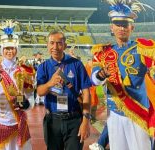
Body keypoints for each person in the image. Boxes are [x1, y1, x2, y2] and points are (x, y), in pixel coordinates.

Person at [91, 1, 155, 150]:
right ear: (111, 27)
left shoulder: (143, 48)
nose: (121, 28)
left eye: (125, 24)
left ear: (132, 27)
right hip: (114, 114)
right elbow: (94, 80)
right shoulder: (102, 52)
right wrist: (101, 74)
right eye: (117, 24)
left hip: (138, 112)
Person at [0, 20, 35, 150]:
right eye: (7, 48)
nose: (9, 51)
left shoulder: (26, 71)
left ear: (17, 49)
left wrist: (27, 104)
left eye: (12, 48)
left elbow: (31, 97)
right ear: (2, 49)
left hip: (17, 121)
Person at [36, 30, 92, 150]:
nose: (55, 47)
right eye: (52, 43)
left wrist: (86, 121)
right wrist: (50, 83)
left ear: (65, 45)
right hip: (52, 121)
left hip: (74, 120)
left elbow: (86, 93)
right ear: (47, 45)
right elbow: (40, 92)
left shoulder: (76, 64)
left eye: (59, 43)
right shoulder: (43, 67)